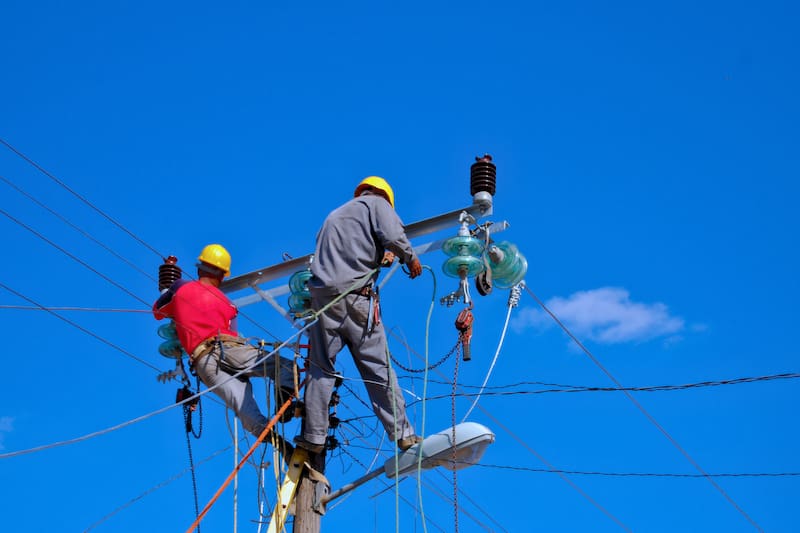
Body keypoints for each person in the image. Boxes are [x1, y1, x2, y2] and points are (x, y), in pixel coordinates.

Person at [296, 176, 424, 454]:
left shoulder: (334, 216)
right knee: (377, 369)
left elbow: (343, 255)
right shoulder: (377, 204)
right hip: (356, 300)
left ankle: (314, 437)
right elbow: (392, 235)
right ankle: (403, 433)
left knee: (320, 369)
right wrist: (409, 257)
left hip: (323, 302)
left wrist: (378, 258)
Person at [153, 244, 296, 440]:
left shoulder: (181, 289)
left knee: (245, 410)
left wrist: (168, 282)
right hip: (228, 348)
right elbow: (233, 338)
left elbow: (158, 310)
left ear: (199, 268)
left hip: (203, 363)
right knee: (285, 366)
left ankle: (280, 446)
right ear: (222, 275)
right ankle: (285, 403)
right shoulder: (230, 305)